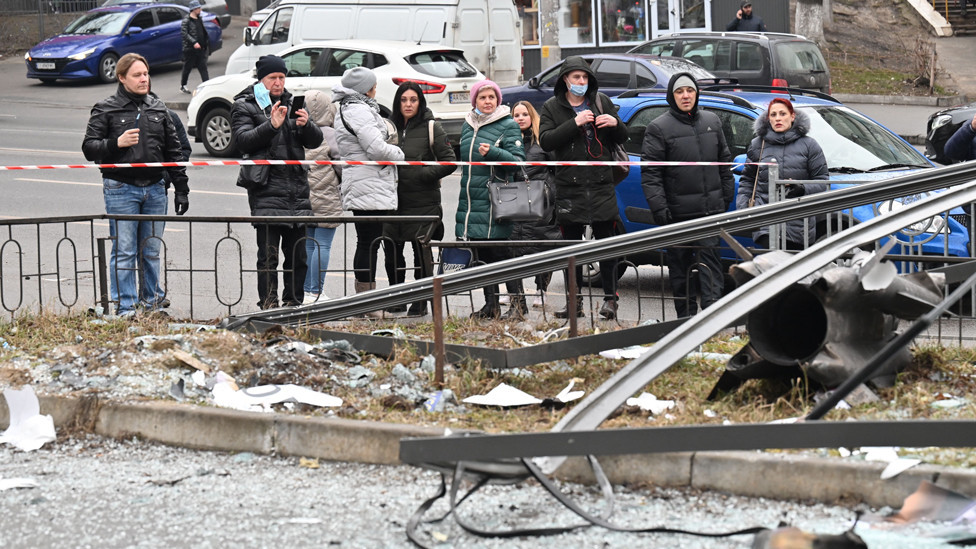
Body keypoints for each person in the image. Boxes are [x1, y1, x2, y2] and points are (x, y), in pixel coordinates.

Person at [82, 53, 190, 317]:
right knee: (125, 250)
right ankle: (126, 308)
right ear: (121, 78)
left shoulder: (158, 107)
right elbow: (88, 148)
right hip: (121, 188)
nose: (144, 79)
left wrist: (181, 188)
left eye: (146, 73)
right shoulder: (106, 107)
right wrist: (115, 143)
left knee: (151, 249)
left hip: (154, 189)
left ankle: (152, 304)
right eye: (137, 75)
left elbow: (174, 151)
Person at [539, 56, 628, 320]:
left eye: (585, 77)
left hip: (601, 185)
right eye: (576, 77)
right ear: (565, 79)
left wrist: (615, 123)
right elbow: (546, 141)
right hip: (570, 186)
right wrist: (574, 123)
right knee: (571, 248)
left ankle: (610, 301)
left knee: (607, 245)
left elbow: (623, 137)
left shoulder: (601, 102)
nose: (581, 82)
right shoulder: (552, 107)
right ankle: (573, 301)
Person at [231, 55, 323, 309]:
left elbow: (314, 142)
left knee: (299, 257)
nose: (278, 82)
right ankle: (269, 305)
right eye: (272, 78)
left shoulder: (291, 101)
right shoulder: (245, 105)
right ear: (261, 79)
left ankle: (293, 304)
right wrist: (271, 125)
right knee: (268, 257)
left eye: (282, 77)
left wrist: (307, 125)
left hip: (297, 191)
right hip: (267, 190)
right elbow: (242, 141)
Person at [641, 72, 734, 318]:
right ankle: (685, 320)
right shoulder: (658, 127)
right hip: (677, 214)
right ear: (672, 96)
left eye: (690, 91)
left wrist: (726, 194)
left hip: (709, 211)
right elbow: (651, 175)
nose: (685, 96)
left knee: (711, 269)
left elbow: (724, 162)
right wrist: (660, 209)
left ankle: (712, 320)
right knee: (680, 271)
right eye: (680, 92)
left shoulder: (712, 121)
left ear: (696, 93)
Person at [383, 81, 457, 317]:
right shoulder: (388, 126)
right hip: (393, 202)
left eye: (413, 100)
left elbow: (449, 161)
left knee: (420, 253)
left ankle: (421, 299)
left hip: (423, 202)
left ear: (420, 102)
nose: (408, 104)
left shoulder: (431, 127)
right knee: (392, 251)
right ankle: (397, 297)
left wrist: (423, 173)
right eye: (404, 100)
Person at [455, 79, 525, 320]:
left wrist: (493, 153)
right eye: (482, 98)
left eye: (491, 97)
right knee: (482, 256)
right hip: (471, 200)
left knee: (502, 255)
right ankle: (491, 305)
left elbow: (517, 161)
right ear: (475, 101)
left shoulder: (508, 125)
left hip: (497, 199)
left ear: (498, 100)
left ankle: (518, 305)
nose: (487, 102)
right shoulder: (467, 126)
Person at [332, 67, 405, 299]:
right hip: (368, 182)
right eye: (373, 86)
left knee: (368, 241)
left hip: (365, 181)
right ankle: (366, 300)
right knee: (368, 242)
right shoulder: (359, 110)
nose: (376, 90)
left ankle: (365, 297)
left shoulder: (351, 107)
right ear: (365, 89)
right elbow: (375, 149)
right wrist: (399, 154)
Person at [737, 98, 828, 250]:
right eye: (773, 115)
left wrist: (801, 188)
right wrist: (744, 208)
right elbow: (747, 180)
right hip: (765, 224)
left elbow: (823, 180)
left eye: (782, 114)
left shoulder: (809, 145)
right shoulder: (757, 145)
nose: (777, 118)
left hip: (799, 225)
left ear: (792, 116)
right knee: (771, 268)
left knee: (795, 272)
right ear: (768, 119)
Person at [511, 100, 561, 310]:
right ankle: (515, 292)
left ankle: (541, 289)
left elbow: (557, 169)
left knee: (541, 246)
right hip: (514, 201)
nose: (520, 118)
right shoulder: (508, 141)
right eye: (516, 115)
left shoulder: (543, 141)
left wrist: (550, 193)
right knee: (513, 247)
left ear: (532, 116)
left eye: (524, 114)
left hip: (541, 202)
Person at [302, 89, 342, 305]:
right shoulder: (330, 133)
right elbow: (341, 164)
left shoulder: (300, 130)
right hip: (326, 194)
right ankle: (316, 291)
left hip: (305, 195)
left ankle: (307, 291)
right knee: (323, 245)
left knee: (309, 244)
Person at [180, 0, 210, 94]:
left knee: (203, 67)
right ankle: (183, 85)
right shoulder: (186, 21)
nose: (200, 9)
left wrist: (205, 42)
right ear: (194, 9)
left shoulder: (199, 18)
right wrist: (194, 42)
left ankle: (207, 85)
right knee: (187, 67)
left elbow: (202, 31)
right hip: (190, 50)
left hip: (201, 49)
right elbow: (184, 34)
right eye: (198, 8)